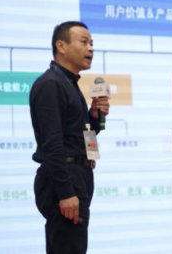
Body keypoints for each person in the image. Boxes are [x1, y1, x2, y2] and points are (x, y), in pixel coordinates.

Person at [30, 21, 110, 254]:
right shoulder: (51, 84)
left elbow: (78, 136)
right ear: (61, 46)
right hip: (65, 179)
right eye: (84, 42)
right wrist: (65, 192)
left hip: (78, 176)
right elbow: (52, 143)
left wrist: (93, 119)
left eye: (92, 43)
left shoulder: (69, 84)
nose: (90, 48)